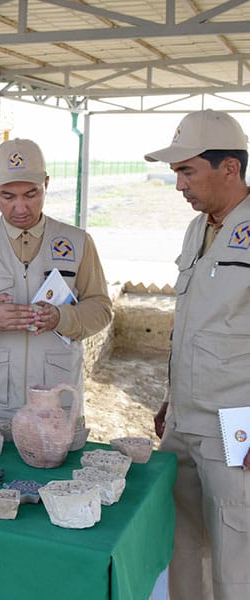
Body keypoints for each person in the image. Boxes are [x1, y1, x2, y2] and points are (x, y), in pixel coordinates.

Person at [145, 110, 250, 600]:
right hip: (185, 422)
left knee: (235, 555)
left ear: (229, 167)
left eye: (187, 171)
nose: (179, 185)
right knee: (181, 547)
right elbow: (196, 326)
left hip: (237, 427)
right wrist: (173, 399)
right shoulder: (199, 229)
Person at [0, 138, 112, 422]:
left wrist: (62, 318)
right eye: (7, 196)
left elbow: (101, 309)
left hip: (57, 404)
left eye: (31, 194)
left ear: (46, 184)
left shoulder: (78, 242)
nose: (20, 208)